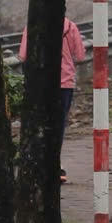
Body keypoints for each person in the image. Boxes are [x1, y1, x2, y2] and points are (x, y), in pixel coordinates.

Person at [19, 14, 88, 181]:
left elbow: (23, 55)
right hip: (64, 84)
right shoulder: (70, 27)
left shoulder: (32, 26)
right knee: (58, 125)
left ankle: (36, 163)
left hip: (40, 84)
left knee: (39, 122)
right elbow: (80, 56)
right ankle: (54, 164)